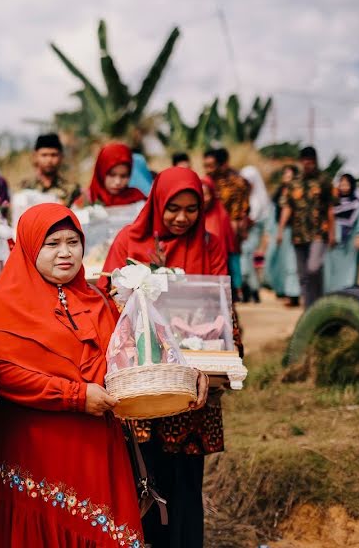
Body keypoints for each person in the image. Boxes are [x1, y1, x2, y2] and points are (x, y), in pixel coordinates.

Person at [0, 203, 153, 547]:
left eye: (73, 242)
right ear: (30, 246)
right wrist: (75, 396)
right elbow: (5, 374)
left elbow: (122, 361)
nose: (65, 252)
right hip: (35, 449)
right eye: (52, 243)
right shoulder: (3, 306)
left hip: (95, 450)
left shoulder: (98, 301)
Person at [101, 168, 238, 548]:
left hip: (194, 386)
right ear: (156, 204)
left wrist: (215, 356)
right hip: (141, 385)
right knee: (142, 477)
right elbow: (106, 302)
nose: (181, 217)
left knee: (186, 482)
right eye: (173, 208)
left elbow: (223, 308)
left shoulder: (209, 245)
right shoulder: (129, 240)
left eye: (191, 209)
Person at [277, 146, 336, 307]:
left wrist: (332, 233)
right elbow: (287, 207)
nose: (308, 165)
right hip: (299, 234)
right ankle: (309, 309)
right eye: (305, 162)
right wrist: (281, 230)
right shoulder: (294, 184)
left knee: (314, 268)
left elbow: (330, 208)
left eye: (311, 162)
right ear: (302, 162)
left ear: (315, 162)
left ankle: (319, 301)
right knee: (303, 275)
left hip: (319, 233)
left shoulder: (324, 181)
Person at [203, 147, 250, 297]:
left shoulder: (236, 183)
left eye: (212, 166)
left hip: (229, 230)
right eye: (206, 166)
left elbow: (240, 211)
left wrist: (236, 231)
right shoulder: (206, 182)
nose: (208, 170)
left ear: (222, 165)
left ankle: (234, 292)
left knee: (230, 262)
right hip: (209, 227)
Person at [264, 165, 301, 306]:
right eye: (285, 175)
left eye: (289, 175)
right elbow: (273, 213)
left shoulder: (297, 193)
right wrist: (271, 232)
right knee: (276, 261)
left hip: (294, 231)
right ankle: (280, 289)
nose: (286, 178)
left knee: (291, 263)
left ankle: (292, 293)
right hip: (278, 231)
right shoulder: (279, 193)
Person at [323, 173, 359, 293]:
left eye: (347, 184)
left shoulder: (358, 203)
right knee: (332, 270)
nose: (344, 187)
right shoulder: (333, 203)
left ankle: (346, 294)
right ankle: (331, 294)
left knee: (349, 271)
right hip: (333, 242)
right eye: (342, 184)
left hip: (350, 244)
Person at [76, 142, 147, 207]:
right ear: (101, 173)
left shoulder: (136, 198)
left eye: (123, 176)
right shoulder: (86, 199)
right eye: (112, 175)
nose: (117, 182)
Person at [19, 133, 81, 207]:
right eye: (44, 155)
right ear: (35, 157)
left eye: (54, 155)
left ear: (61, 157)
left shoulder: (71, 189)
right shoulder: (24, 187)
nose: (49, 160)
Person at [239, 166, 272, 303]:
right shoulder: (243, 197)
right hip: (244, 235)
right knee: (245, 260)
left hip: (251, 235)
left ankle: (253, 289)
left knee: (248, 258)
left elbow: (251, 220)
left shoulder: (256, 200)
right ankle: (247, 289)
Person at [200, 175, 235, 282]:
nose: (203, 199)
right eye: (200, 195)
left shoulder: (221, 215)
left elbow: (229, 244)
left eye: (206, 194)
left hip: (218, 267)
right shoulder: (194, 217)